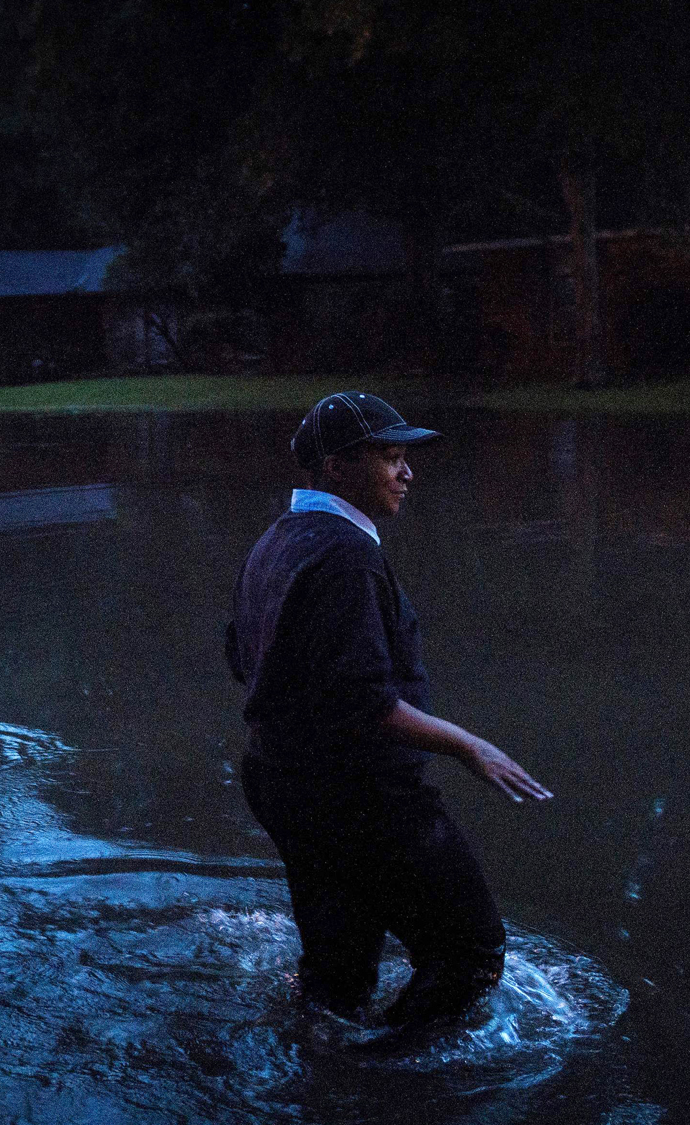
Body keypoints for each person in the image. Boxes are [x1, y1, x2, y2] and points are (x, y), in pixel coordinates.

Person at [226, 392, 553, 1039]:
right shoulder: (349, 555)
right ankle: (386, 1083)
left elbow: (241, 656)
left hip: (283, 783)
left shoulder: (277, 539)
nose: (408, 473)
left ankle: (323, 1079)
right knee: (470, 955)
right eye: (391, 457)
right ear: (338, 468)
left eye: (406, 458)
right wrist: (469, 745)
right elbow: (363, 701)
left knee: (338, 976)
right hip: (362, 798)